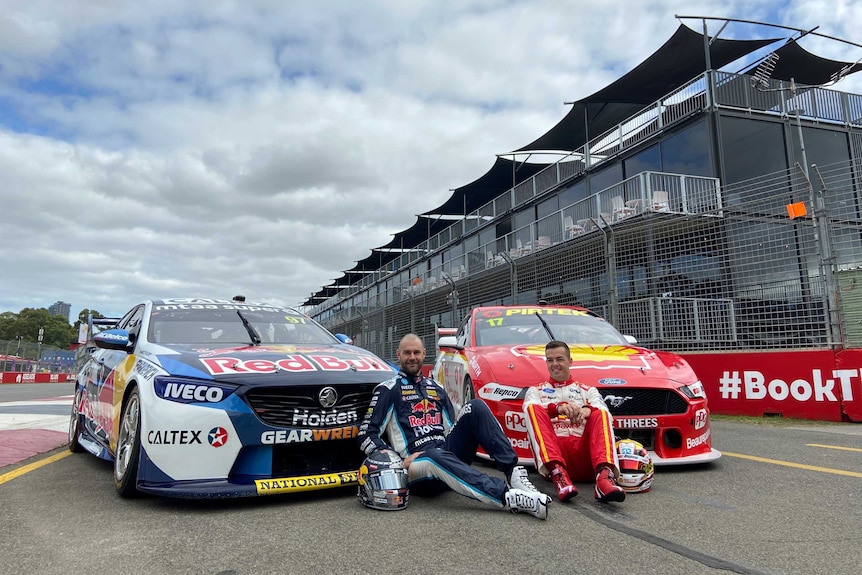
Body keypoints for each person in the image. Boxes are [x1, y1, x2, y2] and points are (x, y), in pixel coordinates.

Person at [357, 333, 551, 519]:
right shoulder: (388, 389)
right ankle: (509, 497)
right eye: (407, 353)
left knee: (475, 406)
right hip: (416, 467)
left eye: (416, 352)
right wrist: (396, 462)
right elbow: (366, 435)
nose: (412, 357)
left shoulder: (436, 387)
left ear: (424, 354)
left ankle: (514, 474)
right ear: (398, 355)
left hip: (445, 453)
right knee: (433, 455)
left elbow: (451, 428)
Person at [523, 340, 626, 503]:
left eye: (559, 359)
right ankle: (559, 476)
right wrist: (557, 409)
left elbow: (602, 408)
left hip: (585, 457)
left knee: (601, 413)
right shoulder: (535, 391)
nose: (554, 364)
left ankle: (604, 478)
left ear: (570, 361)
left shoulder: (588, 390)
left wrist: (586, 410)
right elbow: (530, 406)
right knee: (531, 409)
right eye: (550, 360)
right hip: (554, 454)